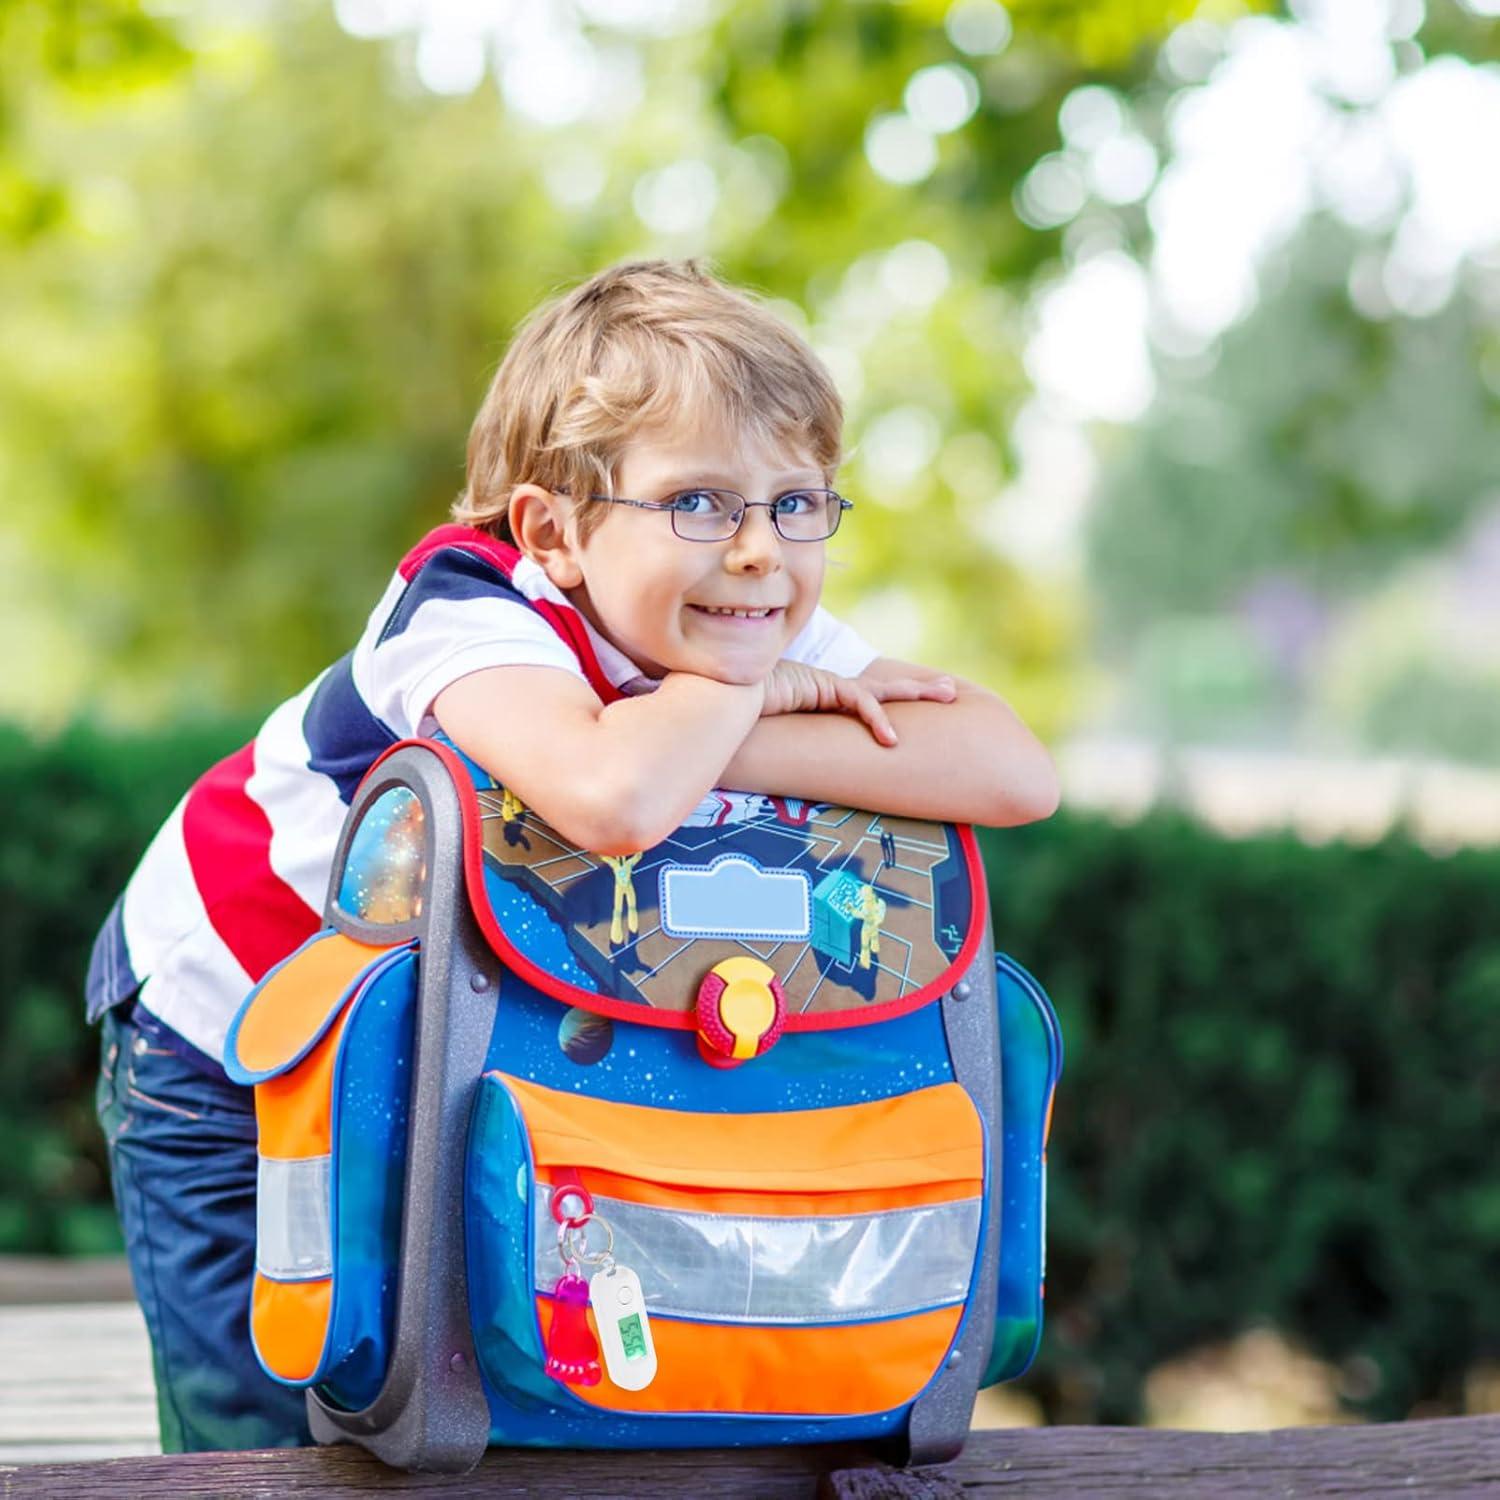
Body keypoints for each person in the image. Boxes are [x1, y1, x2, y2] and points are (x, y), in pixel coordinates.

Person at [87, 258, 1059, 1453]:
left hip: (439, 1018)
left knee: (481, 1358)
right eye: (698, 502)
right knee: (274, 1405)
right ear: (554, 531)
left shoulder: (736, 625)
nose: (761, 550)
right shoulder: (463, 609)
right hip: (233, 1025)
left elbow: (1012, 771)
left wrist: (716, 721)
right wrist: (731, 707)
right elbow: (614, 794)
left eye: (799, 503)